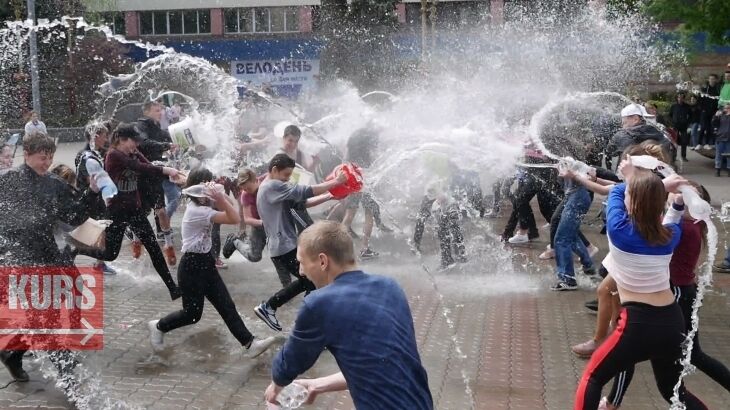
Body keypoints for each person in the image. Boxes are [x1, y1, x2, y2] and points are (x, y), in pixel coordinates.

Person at [573, 162, 706, 409]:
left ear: (632, 203)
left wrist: (633, 177)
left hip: (638, 324)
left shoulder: (619, 231)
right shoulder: (670, 236)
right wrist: (675, 199)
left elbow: (615, 192)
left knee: (593, 378)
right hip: (671, 321)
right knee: (672, 391)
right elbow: (674, 215)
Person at [264, 221, 433, 409]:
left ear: (322, 261)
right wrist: (317, 385)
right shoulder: (390, 287)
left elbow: (287, 365)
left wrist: (275, 388)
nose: (301, 272)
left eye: (302, 263)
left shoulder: (319, 303)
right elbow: (383, 362)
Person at [599, 182, 730, 410]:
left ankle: (612, 402)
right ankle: (613, 401)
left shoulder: (681, 228)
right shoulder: (690, 224)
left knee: (634, 356)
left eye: (681, 194)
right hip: (683, 293)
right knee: (691, 359)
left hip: (676, 295)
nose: (673, 195)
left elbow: (643, 234)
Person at [0, 132, 99, 397]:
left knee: (47, 317)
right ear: (28, 154)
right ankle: (70, 381)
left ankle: (12, 354)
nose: (47, 163)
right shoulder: (7, 182)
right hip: (19, 260)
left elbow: (74, 216)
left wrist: (91, 193)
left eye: (50, 158)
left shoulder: (55, 184)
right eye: (43, 158)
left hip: (47, 257)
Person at [148, 167, 277, 357]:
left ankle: (250, 344)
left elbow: (232, 213)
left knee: (227, 306)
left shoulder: (204, 207)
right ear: (198, 190)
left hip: (206, 263)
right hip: (191, 267)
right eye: (207, 186)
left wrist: (220, 198)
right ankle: (158, 326)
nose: (211, 189)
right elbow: (234, 219)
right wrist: (221, 199)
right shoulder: (197, 211)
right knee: (192, 315)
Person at [77, 123, 181, 300]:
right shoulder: (114, 155)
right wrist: (166, 170)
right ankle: (77, 249)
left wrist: (169, 174)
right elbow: (139, 168)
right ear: (121, 140)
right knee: (110, 254)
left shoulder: (132, 152)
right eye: (133, 141)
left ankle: (173, 288)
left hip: (135, 209)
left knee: (154, 248)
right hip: (116, 211)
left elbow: (147, 166)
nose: (136, 145)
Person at [253, 154, 347, 332]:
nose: (287, 179)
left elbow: (302, 203)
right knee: (312, 281)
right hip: (284, 247)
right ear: (274, 170)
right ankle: (275, 309)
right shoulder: (271, 186)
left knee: (309, 282)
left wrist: (329, 196)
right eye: (286, 175)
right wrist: (336, 182)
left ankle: (307, 324)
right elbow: (305, 191)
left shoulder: (274, 188)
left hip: (283, 246)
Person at [137, 100, 178, 266]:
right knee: (140, 212)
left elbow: (168, 137)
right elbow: (144, 144)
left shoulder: (157, 128)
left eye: (161, 110)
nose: (160, 113)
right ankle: (136, 241)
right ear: (147, 111)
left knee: (160, 210)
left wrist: (178, 140)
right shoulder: (140, 127)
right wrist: (166, 145)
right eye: (156, 110)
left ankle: (168, 245)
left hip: (156, 175)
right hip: (141, 175)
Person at [74, 120, 116, 275]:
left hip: (96, 200)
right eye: (104, 136)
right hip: (89, 199)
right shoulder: (85, 156)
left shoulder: (97, 153)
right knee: (87, 232)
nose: (106, 139)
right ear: (95, 136)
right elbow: (91, 180)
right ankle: (73, 257)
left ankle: (99, 262)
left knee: (100, 230)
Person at [222, 168, 267, 262]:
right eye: (244, 189)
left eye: (248, 188)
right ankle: (234, 241)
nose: (247, 191)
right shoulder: (245, 195)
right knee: (254, 256)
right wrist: (263, 223)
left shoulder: (267, 179)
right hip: (259, 225)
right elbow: (247, 219)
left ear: (255, 180)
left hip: (276, 221)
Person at [606, 104, 670, 162]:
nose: (622, 126)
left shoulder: (622, 135)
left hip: (627, 173)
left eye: (624, 123)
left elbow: (609, 152)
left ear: (635, 119)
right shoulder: (660, 134)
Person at [699, 74, 721, 149]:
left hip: (713, 111)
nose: (711, 80)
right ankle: (699, 143)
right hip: (705, 111)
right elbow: (700, 100)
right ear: (708, 80)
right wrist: (703, 109)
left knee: (710, 128)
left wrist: (717, 110)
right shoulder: (705, 89)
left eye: (713, 79)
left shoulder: (717, 89)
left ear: (715, 80)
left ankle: (707, 143)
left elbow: (718, 100)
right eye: (710, 79)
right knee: (703, 127)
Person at [669, 92, 692, 161]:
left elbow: (691, 116)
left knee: (684, 141)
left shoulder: (687, 106)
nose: (680, 99)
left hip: (684, 126)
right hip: (675, 126)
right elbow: (670, 115)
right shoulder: (674, 106)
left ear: (683, 98)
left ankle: (683, 156)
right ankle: (673, 156)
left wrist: (688, 123)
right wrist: (672, 123)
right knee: (674, 141)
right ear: (677, 98)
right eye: (679, 97)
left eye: (681, 97)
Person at [711, 103, 730, 176]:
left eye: (728, 108)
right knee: (718, 155)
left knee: (729, 156)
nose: (727, 109)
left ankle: (729, 170)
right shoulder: (720, 116)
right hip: (720, 138)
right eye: (726, 108)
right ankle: (717, 169)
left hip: (729, 139)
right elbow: (713, 123)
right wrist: (715, 116)